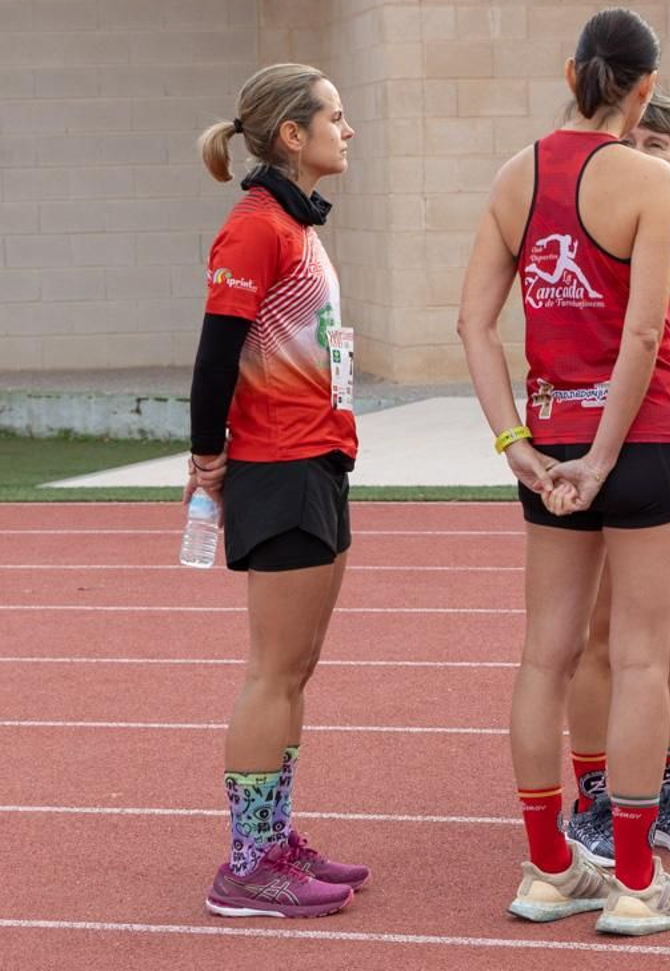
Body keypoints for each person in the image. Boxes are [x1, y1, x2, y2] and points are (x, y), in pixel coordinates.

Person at [457, 8, 670, 934]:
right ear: (645, 90)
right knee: (643, 656)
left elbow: (474, 325)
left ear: (571, 73)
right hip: (642, 444)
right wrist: (607, 456)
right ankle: (640, 881)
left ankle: (548, 868)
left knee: (547, 654)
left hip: (551, 444)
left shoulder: (515, 175)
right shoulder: (651, 178)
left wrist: (517, 446)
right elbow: (647, 332)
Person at [190, 63, 368, 918]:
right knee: (272, 670)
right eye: (336, 116)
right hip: (279, 462)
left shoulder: (296, 222)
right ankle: (247, 865)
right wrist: (206, 460)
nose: (348, 129)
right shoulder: (257, 227)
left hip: (318, 458)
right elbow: (214, 356)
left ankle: (274, 837)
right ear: (293, 134)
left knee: (297, 668)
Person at [564, 91, 670, 863]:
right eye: (629, 143)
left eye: (656, 146)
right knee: (604, 635)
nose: (641, 157)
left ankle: (659, 788)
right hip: (618, 440)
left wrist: (642, 258)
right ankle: (596, 793)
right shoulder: (589, 219)